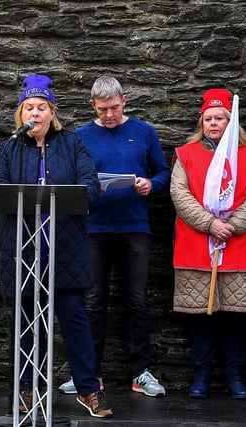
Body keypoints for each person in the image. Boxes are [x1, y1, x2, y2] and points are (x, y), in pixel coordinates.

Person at [0, 74, 112, 418]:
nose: (36, 112)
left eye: (42, 107)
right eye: (30, 107)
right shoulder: (9, 147)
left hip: (64, 252)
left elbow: (88, 184)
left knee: (74, 321)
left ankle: (89, 390)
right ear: (21, 113)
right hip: (22, 252)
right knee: (26, 323)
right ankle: (27, 389)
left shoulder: (72, 144)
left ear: (52, 113)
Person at [58, 76, 170, 398]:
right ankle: (89, 375)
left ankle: (141, 372)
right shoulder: (80, 136)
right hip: (93, 229)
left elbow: (163, 172)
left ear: (125, 100)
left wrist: (151, 184)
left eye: (115, 108)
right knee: (92, 302)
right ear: (92, 105)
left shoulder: (144, 131)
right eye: (104, 109)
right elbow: (70, 180)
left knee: (138, 300)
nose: (110, 115)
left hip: (135, 227)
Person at [170, 88, 246, 400]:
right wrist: (209, 223)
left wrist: (232, 225)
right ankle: (202, 372)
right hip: (197, 244)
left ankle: (235, 372)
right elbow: (179, 194)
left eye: (220, 118)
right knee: (202, 314)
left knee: (236, 315)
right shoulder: (185, 155)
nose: (214, 123)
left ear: (231, 121)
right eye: (208, 118)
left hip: (240, 244)